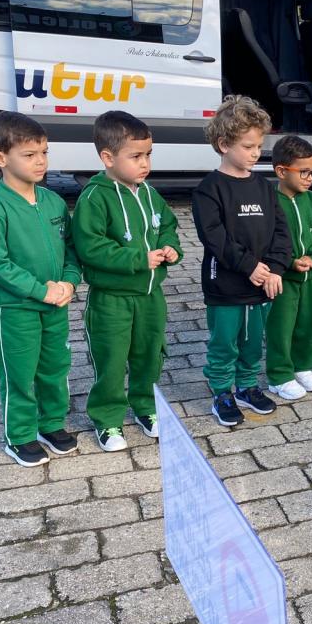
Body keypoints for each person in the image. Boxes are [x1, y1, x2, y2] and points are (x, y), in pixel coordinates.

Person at [0, 111, 80, 467]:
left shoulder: (53, 202)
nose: (41, 161)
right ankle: (18, 436)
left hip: (56, 306)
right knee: (19, 373)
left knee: (55, 367)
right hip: (17, 310)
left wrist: (69, 282)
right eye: (29, 155)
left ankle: (51, 424)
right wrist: (39, 290)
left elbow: (71, 250)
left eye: (44, 152)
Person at [72, 111, 183, 452]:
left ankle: (146, 407)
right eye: (135, 156)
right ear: (108, 158)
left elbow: (167, 225)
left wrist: (171, 247)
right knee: (111, 359)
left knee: (150, 355)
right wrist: (137, 259)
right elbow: (91, 247)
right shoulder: (94, 197)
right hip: (112, 300)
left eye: (148, 155)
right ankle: (107, 418)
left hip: (150, 297)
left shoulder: (149, 193)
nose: (145, 163)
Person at [193, 95, 292, 425]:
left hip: (261, 285)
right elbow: (214, 236)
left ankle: (247, 386)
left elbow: (282, 230)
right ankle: (222, 391)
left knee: (251, 343)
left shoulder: (264, 186)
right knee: (225, 343)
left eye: (259, 146)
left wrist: (275, 268)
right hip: (225, 285)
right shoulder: (209, 189)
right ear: (224, 144)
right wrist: (248, 265)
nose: (256, 153)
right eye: (248, 146)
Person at [265, 136, 312, 400]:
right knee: (281, 328)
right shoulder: (269, 202)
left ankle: (302, 365)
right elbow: (264, 241)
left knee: (310, 323)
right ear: (281, 171)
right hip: (283, 280)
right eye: (303, 172)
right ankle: (279, 375)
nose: (310, 178)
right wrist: (289, 261)